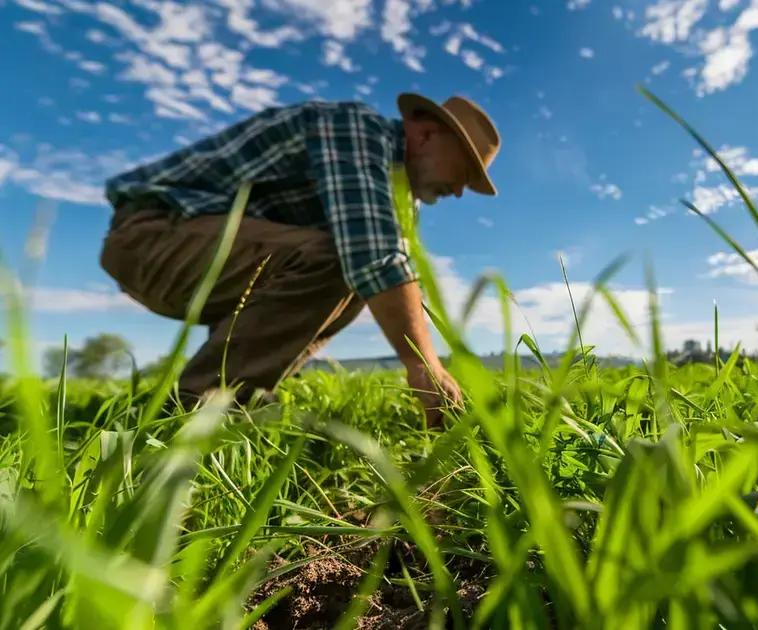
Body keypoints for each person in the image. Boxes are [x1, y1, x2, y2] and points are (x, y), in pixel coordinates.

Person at [98, 93, 501, 426]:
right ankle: (188, 416)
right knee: (341, 257)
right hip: (151, 234)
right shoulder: (356, 129)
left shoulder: (399, 199)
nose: (461, 191)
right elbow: (375, 256)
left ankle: (234, 399)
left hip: (210, 252)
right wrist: (424, 366)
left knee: (359, 279)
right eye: (466, 170)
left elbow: (394, 278)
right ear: (428, 134)